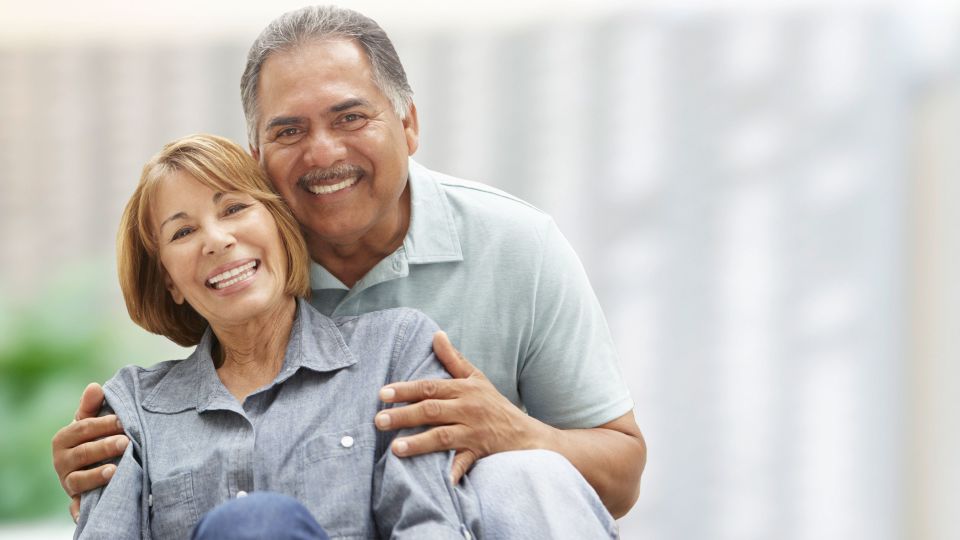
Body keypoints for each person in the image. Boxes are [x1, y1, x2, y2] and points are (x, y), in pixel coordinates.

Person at [52, 5, 646, 522]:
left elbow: (621, 474)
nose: (324, 152)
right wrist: (108, 460)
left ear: (408, 123)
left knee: (521, 475)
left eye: (350, 117)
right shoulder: (246, 265)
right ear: (258, 157)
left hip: (473, 517)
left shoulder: (517, 245)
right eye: (289, 131)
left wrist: (520, 435)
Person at [75, 133, 618, 539]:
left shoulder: (396, 352)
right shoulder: (134, 409)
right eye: (183, 231)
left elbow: (428, 524)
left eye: (235, 208)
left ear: (280, 227)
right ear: (169, 279)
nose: (216, 240)